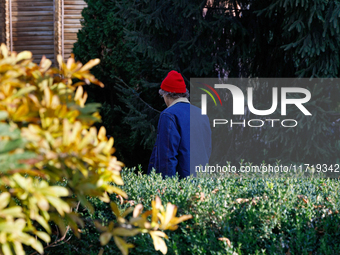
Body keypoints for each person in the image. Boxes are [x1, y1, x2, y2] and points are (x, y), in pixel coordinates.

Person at [147, 70, 211, 178]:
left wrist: (167, 188)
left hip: (181, 188)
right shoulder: (202, 115)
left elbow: (167, 157)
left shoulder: (168, 115)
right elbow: (207, 150)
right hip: (202, 184)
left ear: (166, 95)